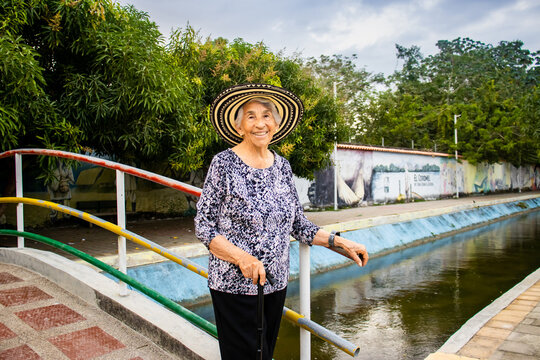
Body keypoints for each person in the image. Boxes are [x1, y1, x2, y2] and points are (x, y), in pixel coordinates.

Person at [195, 83, 369, 359]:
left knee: (265, 355)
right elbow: (203, 225)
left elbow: (298, 224)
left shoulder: (282, 166)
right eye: (250, 116)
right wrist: (242, 258)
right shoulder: (223, 163)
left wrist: (339, 242)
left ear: (276, 124)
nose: (260, 123)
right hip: (234, 285)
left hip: (275, 283)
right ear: (239, 126)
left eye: (266, 115)